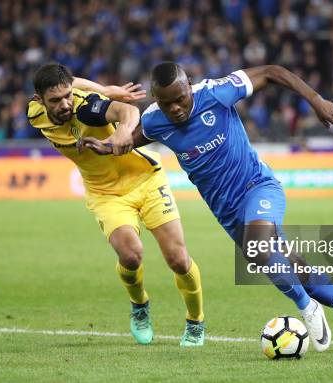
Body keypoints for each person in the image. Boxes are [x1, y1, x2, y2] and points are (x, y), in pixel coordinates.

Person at [85, 62, 333, 352]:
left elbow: (271, 72)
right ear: (157, 101)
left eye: (180, 98)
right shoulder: (154, 120)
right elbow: (134, 139)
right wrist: (109, 146)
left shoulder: (216, 93)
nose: (176, 108)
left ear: (189, 86)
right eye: (167, 104)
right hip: (227, 212)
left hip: (258, 186)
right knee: (293, 268)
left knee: (258, 249)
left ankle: (308, 308)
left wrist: (316, 100)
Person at [27, 63, 205, 346]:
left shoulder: (86, 108)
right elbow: (73, 82)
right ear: (39, 100)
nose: (64, 104)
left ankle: (195, 322)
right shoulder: (34, 114)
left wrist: (122, 130)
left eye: (67, 96)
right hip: (105, 193)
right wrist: (104, 88)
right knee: (131, 256)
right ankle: (139, 305)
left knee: (179, 261)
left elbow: (129, 111)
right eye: (55, 100)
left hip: (146, 180)